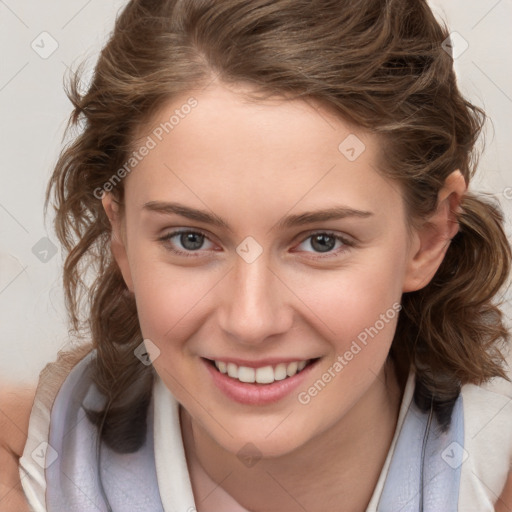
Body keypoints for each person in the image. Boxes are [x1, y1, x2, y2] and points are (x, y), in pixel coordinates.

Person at [5, 0, 512, 510]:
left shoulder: (492, 473)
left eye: (322, 241)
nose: (250, 321)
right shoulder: (39, 459)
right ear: (121, 238)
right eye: (190, 239)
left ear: (427, 237)